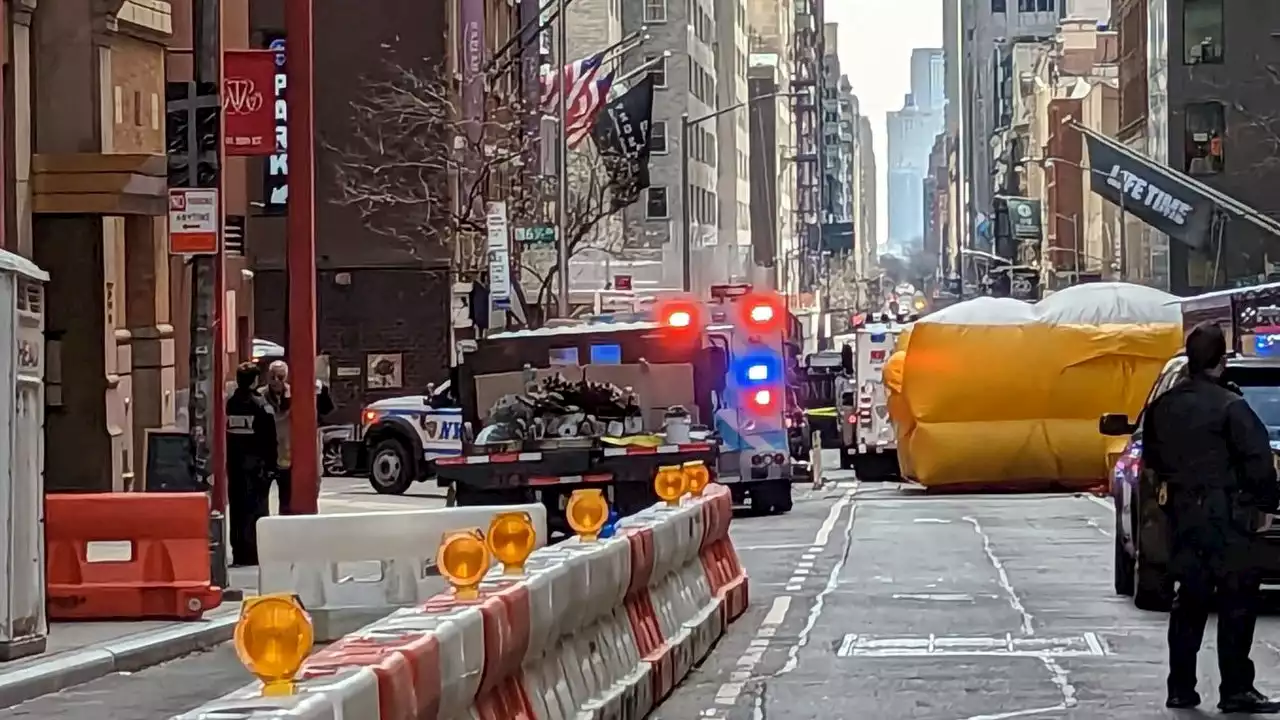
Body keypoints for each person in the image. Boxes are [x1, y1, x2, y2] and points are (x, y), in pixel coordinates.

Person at [1143, 322, 1280, 713]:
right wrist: (1265, 507)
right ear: (1221, 361)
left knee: (1189, 602)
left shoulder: (1163, 407)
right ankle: (1236, 687)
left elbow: (1152, 462)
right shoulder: (1231, 407)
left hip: (1184, 517)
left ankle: (1180, 686)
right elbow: (1258, 463)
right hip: (1228, 517)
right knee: (1237, 602)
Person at [259, 359, 336, 515]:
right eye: (273, 376)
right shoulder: (261, 396)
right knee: (260, 498)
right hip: (269, 452)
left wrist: (322, 390)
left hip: (290, 452)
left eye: (280, 377)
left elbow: (326, 410)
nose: (276, 381)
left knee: (287, 496)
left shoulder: (296, 394)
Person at [224, 361, 276, 566]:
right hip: (257, 468)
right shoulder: (261, 405)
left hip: (235, 465)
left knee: (237, 510)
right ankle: (254, 553)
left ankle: (239, 551)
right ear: (255, 380)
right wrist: (271, 467)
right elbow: (270, 439)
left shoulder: (231, 403)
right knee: (257, 512)